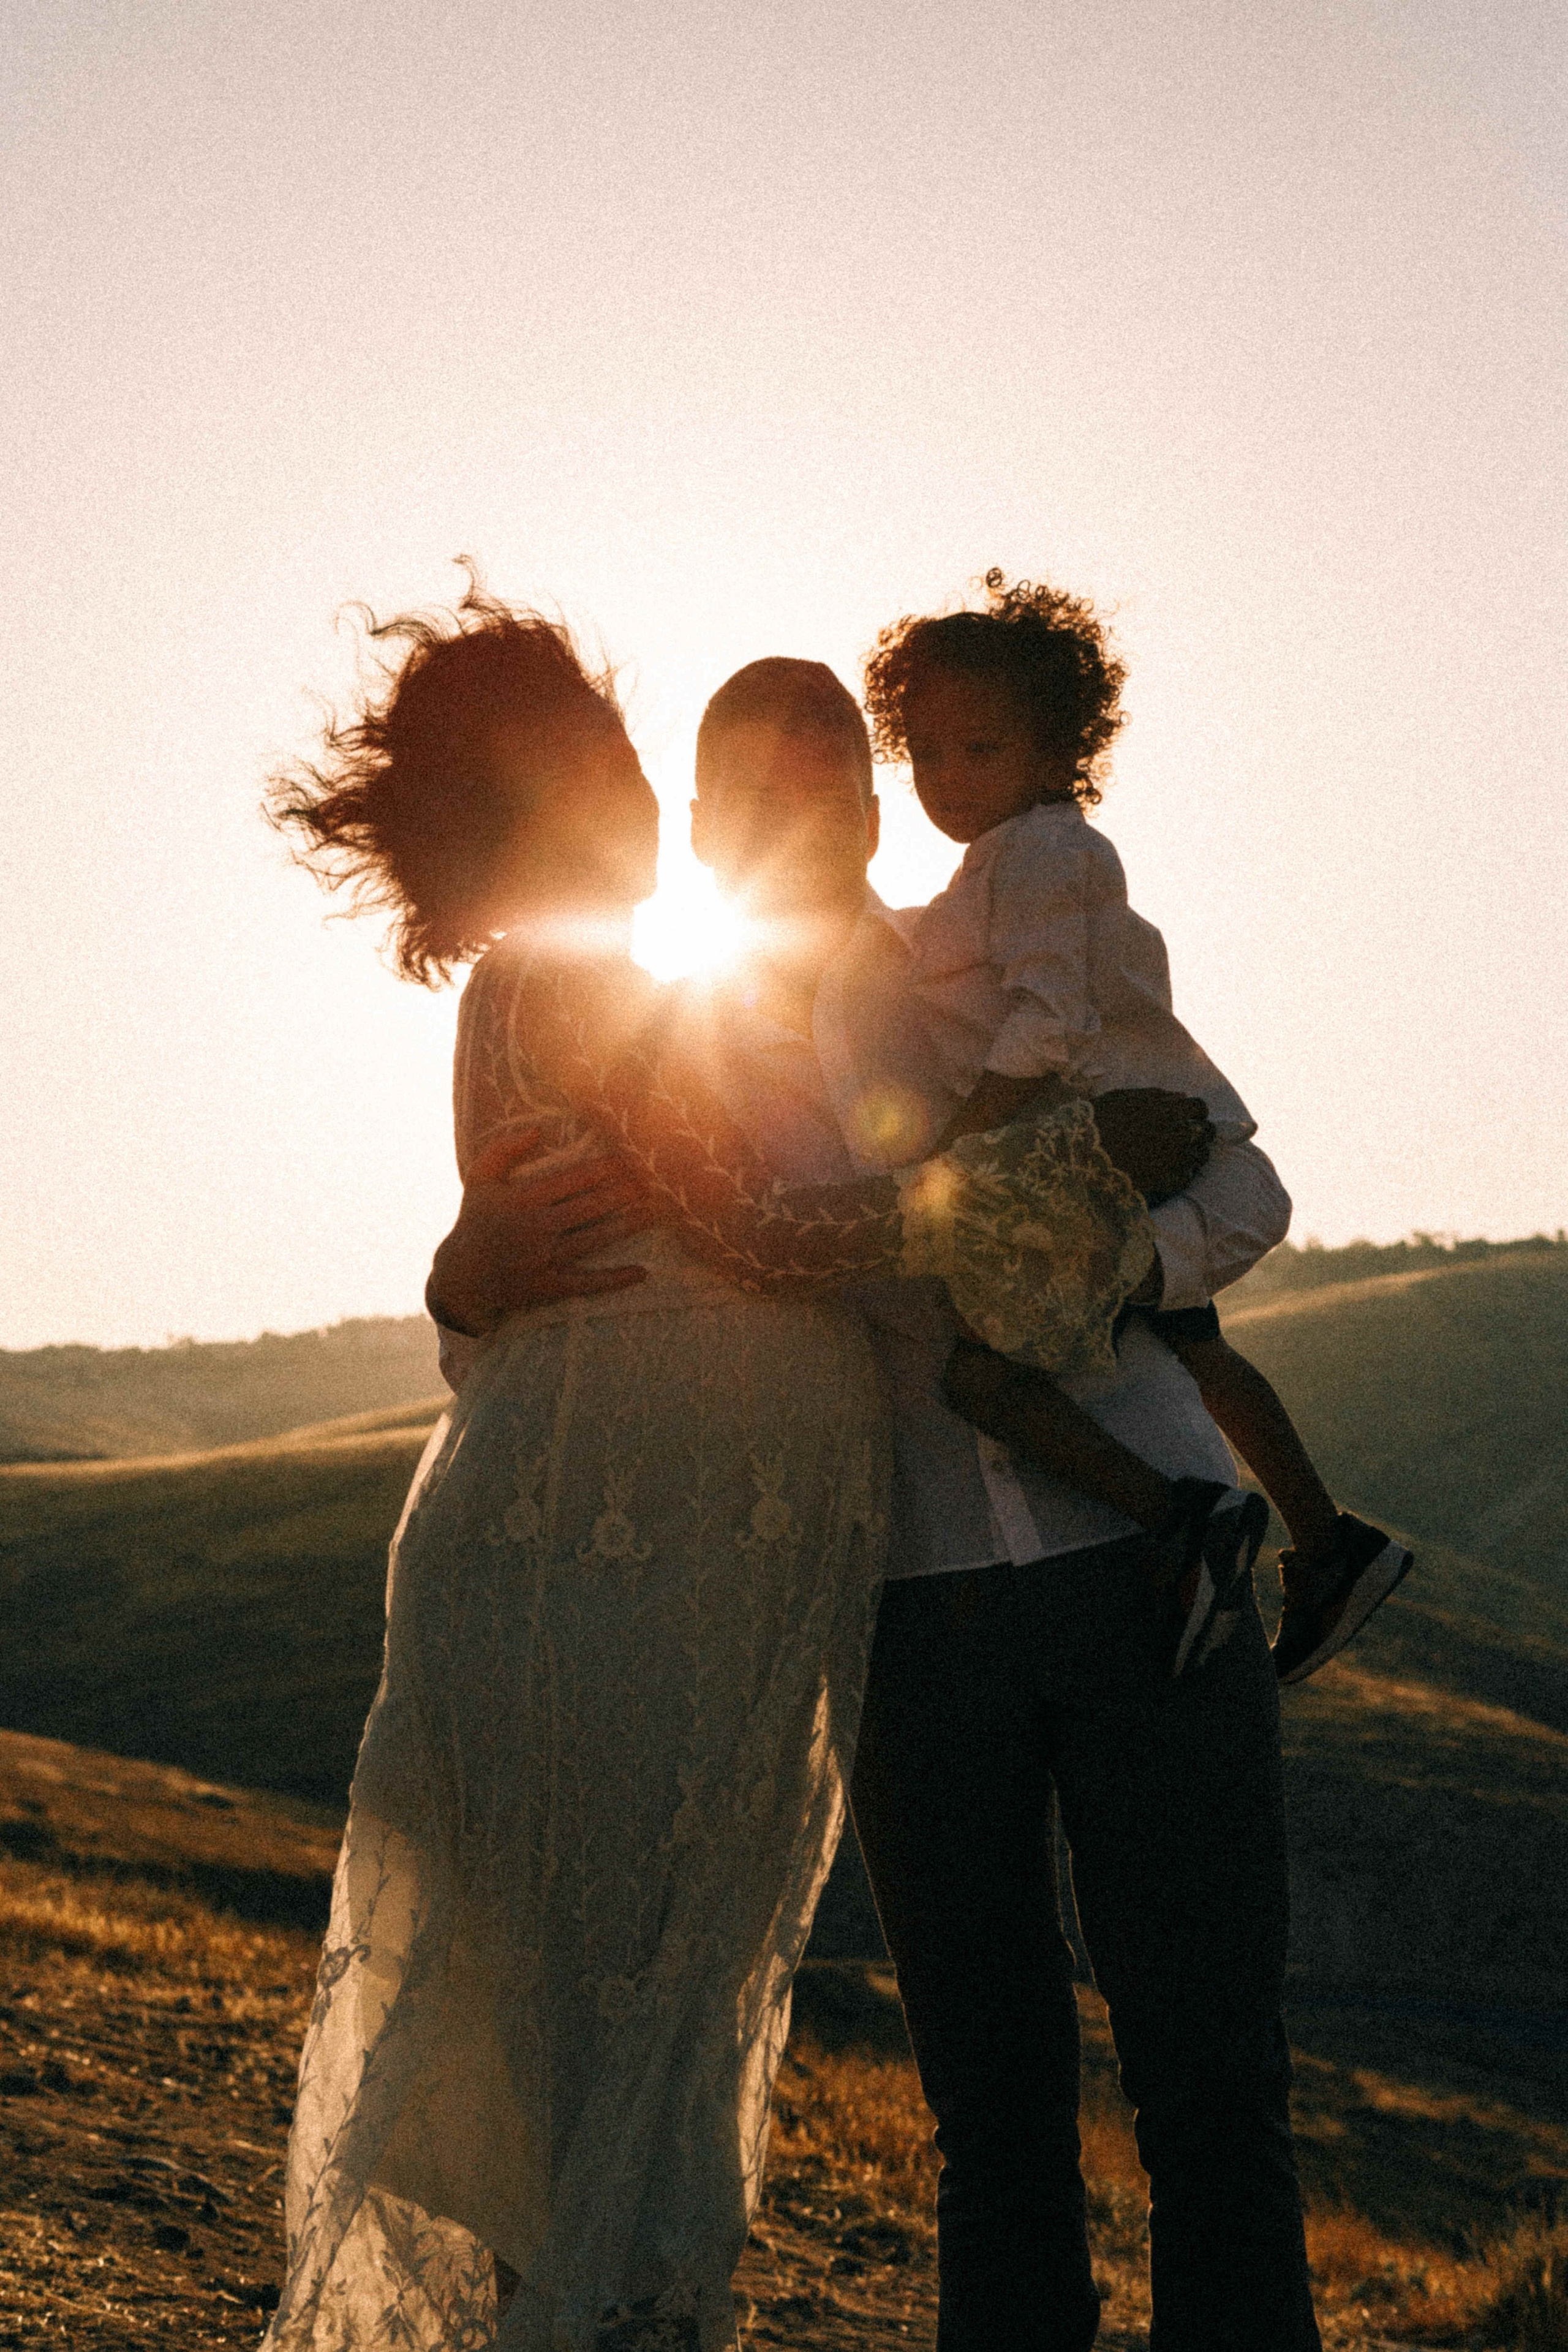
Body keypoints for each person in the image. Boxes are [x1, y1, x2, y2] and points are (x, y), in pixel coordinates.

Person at [260, 574, 1159, 2352]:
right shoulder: (578, 986)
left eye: (611, 751)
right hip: (606, 1546)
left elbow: (524, 1283)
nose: (635, 796)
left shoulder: (709, 982)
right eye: (594, 769)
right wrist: (1043, 1188)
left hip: (719, 1553)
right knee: (598, 2008)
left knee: (636, 2001)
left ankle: (597, 2318)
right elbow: (741, 1233)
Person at [443, 650, 1327, 2350]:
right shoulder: (670, 1041)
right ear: (707, 833)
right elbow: (587, 1284)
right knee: (994, 2127)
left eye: (835, 783)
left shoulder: (1009, 968)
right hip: (913, 1603)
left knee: (1216, 2095)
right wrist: (462, 1279)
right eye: (759, 797)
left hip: (1150, 1551)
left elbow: (1240, 1166)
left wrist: (1116, 1254)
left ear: (873, 802)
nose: (807, 819)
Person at [863, 569, 1414, 1684]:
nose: (948, 779)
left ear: (1062, 745)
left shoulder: (1044, 854)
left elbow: (1046, 1025)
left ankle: (1186, 1522)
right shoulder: (1009, 864)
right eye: (926, 752)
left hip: (1135, 1146)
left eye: (982, 749)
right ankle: (1328, 1540)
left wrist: (954, 1148)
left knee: (978, 1374)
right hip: (1147, 1150)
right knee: (1193, 1340)